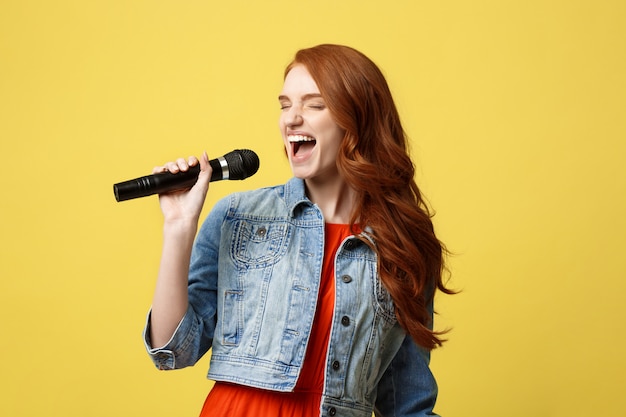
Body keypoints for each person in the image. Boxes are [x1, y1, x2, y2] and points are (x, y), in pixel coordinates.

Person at [143, 44, 452, 417]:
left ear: (358, 120)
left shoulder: (404, 246)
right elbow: (172, 350)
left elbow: (408, 404)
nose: (291, 119)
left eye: (314, 105)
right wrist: (178, 227)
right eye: (285, 104)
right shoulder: (239, 217)